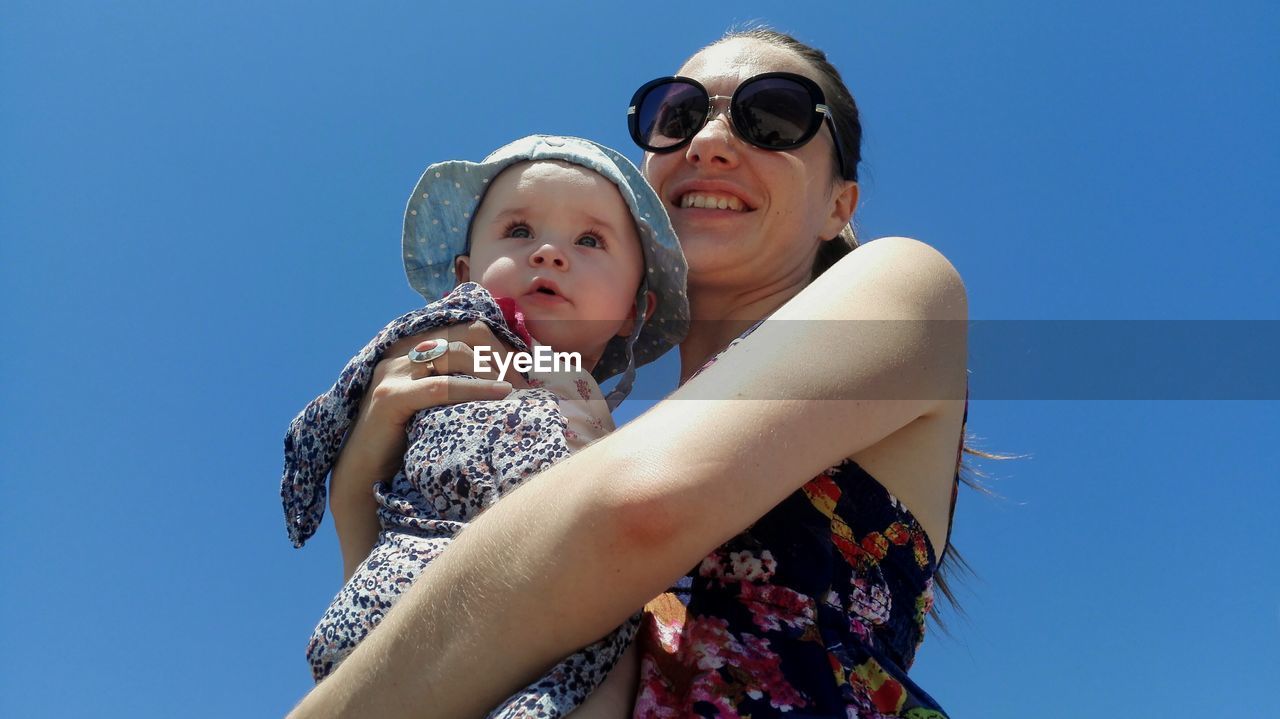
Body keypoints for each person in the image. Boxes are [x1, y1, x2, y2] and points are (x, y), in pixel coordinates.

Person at [290, 27, 969, 719]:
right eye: (676, 117)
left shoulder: (908, 285)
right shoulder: (599, 443)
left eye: (772, 117)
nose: (706, 141)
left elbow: (633, 513)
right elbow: (450, 649)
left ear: (839, 205)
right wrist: (357, 509)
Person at [281, 135, 689, 717]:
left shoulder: (619, 429)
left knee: (612, 665)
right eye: (519, 232)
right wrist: (311, 481)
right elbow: (345, 397)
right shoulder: (459, 339)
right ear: (465, 275)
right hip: (415, 577)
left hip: (552, 625)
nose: (549, 252)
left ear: (632, 311)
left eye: (590, 240)